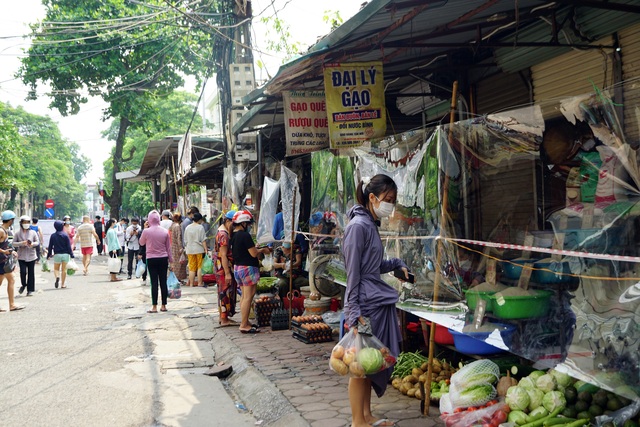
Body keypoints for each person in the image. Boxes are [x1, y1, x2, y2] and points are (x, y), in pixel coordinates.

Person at [343, 174, 410, 427]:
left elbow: (373, 265)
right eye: (388, 200)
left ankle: (367, 416)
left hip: (374, 301)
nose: (390, 205)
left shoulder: (370, 224)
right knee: (359, 366)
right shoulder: (358, 227)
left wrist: (397, 264)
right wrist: (353, 313)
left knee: (371, 363)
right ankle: (357, 421)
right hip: (364, 306)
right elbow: (353, 274)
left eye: (393, 200)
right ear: (372, 198)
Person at [231, 210, 269, 333]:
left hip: (238, 268)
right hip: (247, 268)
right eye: (248, 223)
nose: (249, 225)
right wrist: (263, 250)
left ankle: (245, 321)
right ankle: (243, 324)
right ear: (243, 223)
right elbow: (253, 253)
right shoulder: (244, 235)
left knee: (244, 296)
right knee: (248, 297)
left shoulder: (234, 235)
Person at [139, 210, 172, 313]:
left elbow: (141, 242)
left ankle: (154, 307)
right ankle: (163, 305)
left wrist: (145, 228)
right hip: (163, 259)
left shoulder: (146, 231)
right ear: (159, 219)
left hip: (151, 259)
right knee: (163, 282)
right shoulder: (165, 231)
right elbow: (168, 248)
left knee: (154, 283)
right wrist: (171, 261)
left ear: (149, 220)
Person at [213, 210, 236, 326]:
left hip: (220, 266)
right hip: (223, 267)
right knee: (225, 292)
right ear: (228, 221)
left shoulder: (221, 232)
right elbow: (223, 255)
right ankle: (224, 319)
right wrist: (227, 272)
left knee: (223, 292)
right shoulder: (224, 235)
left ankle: (223, 317)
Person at [13, 215, 40, 296]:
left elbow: (37, 242)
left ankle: (30, 290)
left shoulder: (33, 232)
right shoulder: (17, 233)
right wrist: (21, 243)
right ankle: (23, 284)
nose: (26, 224)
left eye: (28, 222)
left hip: (31, 255)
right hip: (21, 256)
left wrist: (32, 244)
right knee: (23, 272)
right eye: (24, 222)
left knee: (31, 273)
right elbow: (13, 243)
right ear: (21, 223)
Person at [0, 224, 22, 311]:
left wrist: (11, 251)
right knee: (11, 280)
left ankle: (12, 304)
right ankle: (12, 304)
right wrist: (4, 251)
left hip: (2, 261)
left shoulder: (4, 230)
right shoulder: (1, 231)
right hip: (1, 261)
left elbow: (6, 244)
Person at [47, 220, 75, 289]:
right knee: (64, 270)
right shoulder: (65, 235)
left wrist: (49, 255)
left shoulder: (53, 236)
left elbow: (50, 246)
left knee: (56, 269)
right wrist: (71, 255)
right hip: (65, 255)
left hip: (57, 254)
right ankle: (62, 284)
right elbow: (68, 246)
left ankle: (57, 277)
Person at [184, 212, 208, 287]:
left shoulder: (188, 227)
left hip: (190, 249)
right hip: (199, 250)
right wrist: (206, 249)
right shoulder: (200, 227)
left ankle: (191, 284)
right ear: (200, 219)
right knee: (199, 267)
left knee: (192, 267)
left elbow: (185, 240)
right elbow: (203, 240)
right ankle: (199, 283)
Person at [169, 213, 187, 283]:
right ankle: (177, 278)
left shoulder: (172, 225)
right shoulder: (177, 226)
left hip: (172, 246)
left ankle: (175, 277)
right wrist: (180, 248)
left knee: (175, 263)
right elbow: (179, 238)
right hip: (176, 246)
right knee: (179, 263)